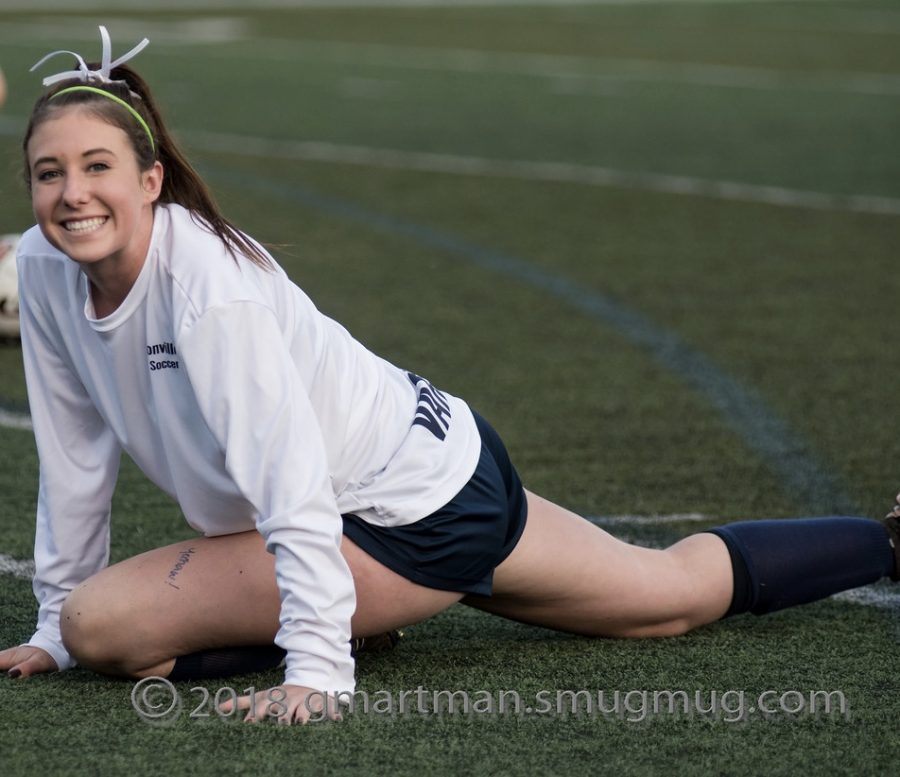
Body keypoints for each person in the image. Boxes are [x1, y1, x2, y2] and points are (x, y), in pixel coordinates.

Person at [2, 27, 899, 725]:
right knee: (664, 598)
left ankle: (350, 624)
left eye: (97, 167)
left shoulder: (206, 287)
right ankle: (891, 544)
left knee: (106, 626)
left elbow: (286, 473)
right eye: (50, 175)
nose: (73, 193)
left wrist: (318, 664)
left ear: (151, 178)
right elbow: (75, 452)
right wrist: (43, 626)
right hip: (439, 464)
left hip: (409, 512)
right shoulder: (42, 269)